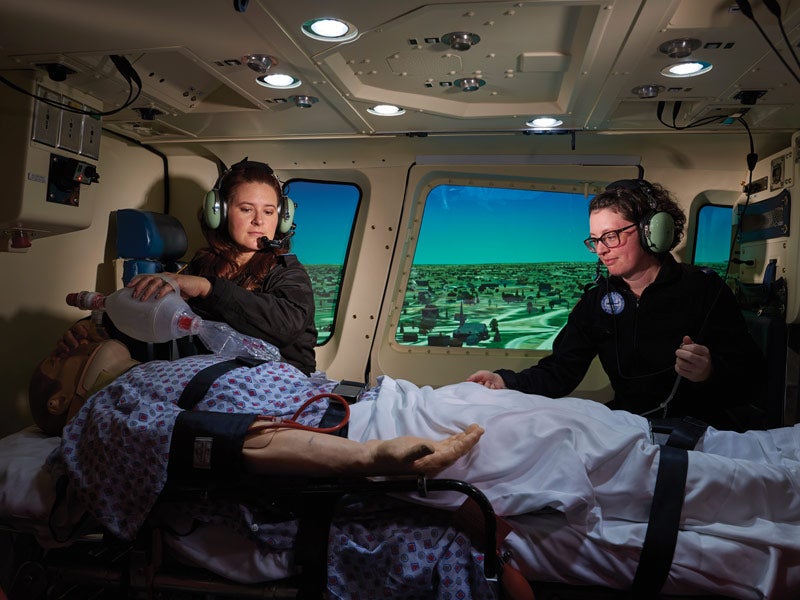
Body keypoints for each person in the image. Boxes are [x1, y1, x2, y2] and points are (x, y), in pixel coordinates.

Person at [28, 339, 800, 599]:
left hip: (409, 409)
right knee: (641, 480)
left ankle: (780, 465)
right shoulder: (104, 418)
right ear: (62, 400)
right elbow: (223, 448)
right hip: (390, 439)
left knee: (624, 442)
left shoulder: (187, 354)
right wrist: (368, 459)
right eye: (58, 356)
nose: (72, 344)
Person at [468, 179, 766, 430]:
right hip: (630, 426)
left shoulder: (704, 288)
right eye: (594, 240)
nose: (600, 250)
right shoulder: (597, 301)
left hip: (703, 427)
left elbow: (750, 379)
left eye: (610, 236)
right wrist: (506, 382)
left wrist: (709, 371)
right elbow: (561, 370)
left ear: (653, 231)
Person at [57, 158, 318, 375]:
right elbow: (152, 309)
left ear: (282, 219)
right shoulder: (202, 266)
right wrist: (95, 325)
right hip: (219, 381)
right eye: (247, 209)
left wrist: (208, 288)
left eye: (269, 212)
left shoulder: (288, 272)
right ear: (221, 213)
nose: (259, 220)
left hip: (279, 385)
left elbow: (287, 324)